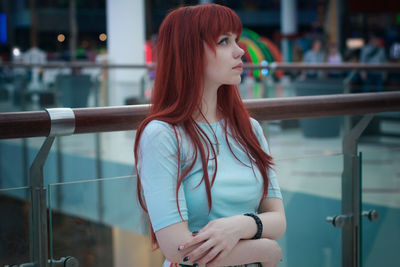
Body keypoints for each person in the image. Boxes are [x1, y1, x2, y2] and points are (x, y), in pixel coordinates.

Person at [134, 4, 285, 267]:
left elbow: (278, 219)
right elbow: (181, 250)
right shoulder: (162, 135)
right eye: (224, 41)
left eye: (236, 40)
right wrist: (265, 250)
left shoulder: (250, 129)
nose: (240, 51)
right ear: (189, 52)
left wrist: (238, 226)